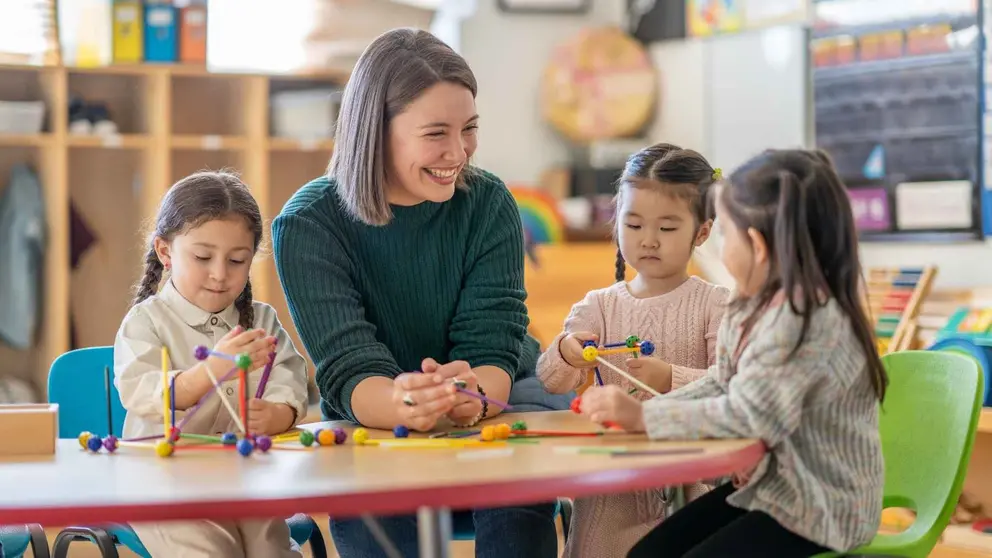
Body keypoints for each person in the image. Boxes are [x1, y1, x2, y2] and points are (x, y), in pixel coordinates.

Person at [271, 28, 566, 558]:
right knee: (373, 511)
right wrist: (408, 403)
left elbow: (495, 343)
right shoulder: (309, 222)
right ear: (375, 132)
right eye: (436, 134)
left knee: (515, 492)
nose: (459, 152)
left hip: (490, 398)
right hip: (374, 414)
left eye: (469, 129)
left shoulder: (488, 201)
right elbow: (348, 367)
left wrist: (471, 397)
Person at [578, 148, 887, 557]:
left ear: (756, 245)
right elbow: (723, 382)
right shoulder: (752, 306)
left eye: (726, 233)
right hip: (772, 491)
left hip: (821, 509)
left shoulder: (807, 322)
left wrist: (645, 417)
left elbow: (748, 415)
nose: (719, 245)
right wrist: (642, 421)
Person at [537, 143, 729, 558]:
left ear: (702, 231)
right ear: (616, 221)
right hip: (610, 498)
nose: (649, 240)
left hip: (690, 492)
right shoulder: (598, 305)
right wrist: (568, 353)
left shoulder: (715, 304)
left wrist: (670, 377)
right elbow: (551, 381)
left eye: (667, 227)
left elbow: (732, 386)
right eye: (635, 224)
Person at [114, 171, 309, 558]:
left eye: (237, 260)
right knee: (211, 550)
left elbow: (291, 381)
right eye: (203, 257)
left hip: (243, 479)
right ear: (165, 252)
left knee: (272, 549)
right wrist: (212, 370)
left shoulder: (263, 320)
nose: (220, 274)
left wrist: (277, 415)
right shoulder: (146, 321)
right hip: (160, 485)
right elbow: (142, 391)